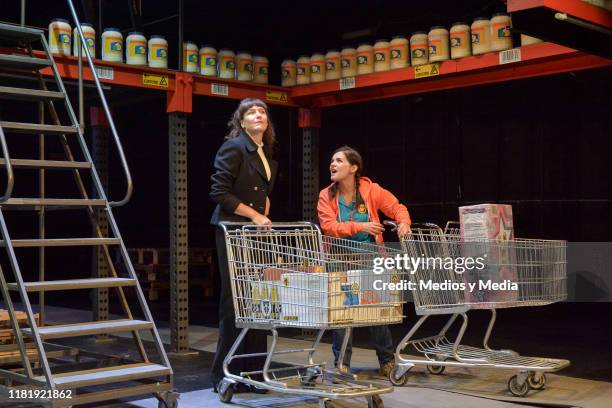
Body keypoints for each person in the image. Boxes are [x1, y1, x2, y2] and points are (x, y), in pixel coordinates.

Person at [317, 145, 411, 377]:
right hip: (339, 259)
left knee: (375, 310)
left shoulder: (371, 190)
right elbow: (329, 227)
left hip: (370, 257)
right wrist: (360, 226)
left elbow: (396, 207)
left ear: (353, 167)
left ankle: (387, 361)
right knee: (343, 313)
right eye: (332, 160)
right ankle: (341, 364)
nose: (333, 164)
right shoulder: (325, 195)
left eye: (338, 160)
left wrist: (404, 222)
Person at [209, 98, 278, 393]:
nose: (258, 115)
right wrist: (255, 215)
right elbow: (219, 191)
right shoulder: (235, 147)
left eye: (262, 111)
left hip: (253, 234)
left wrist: (264, 211)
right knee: (235, 302)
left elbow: (261, 190)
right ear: (241, 121)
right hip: (234, 231)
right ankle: (224, 374)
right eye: (251, 112)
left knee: (257, 301)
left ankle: (254, 371)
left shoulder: (264, 151)